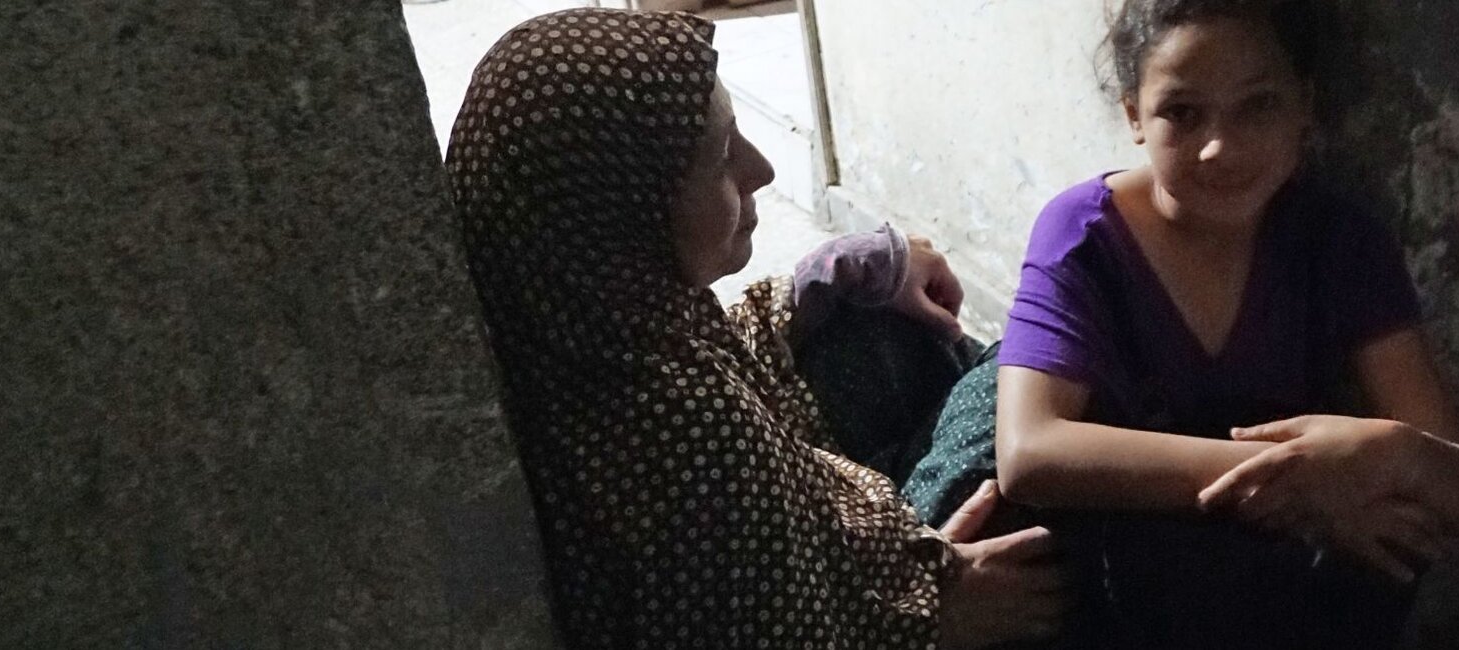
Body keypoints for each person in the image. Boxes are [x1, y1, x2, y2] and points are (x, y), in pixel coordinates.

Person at [443, 8, 1061, 649]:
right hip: (882, 594)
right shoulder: (688, 432)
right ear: (620, 214)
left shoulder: (575, 321)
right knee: (1024, 377)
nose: (761, 168)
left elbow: (725, 355)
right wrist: (935, 606)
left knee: (884, 331)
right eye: (718, 160)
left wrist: (820, 281)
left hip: (834, 530)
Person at [902, 0, 1459, 647]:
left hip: (1250, 569)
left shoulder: (1339, 242)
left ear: (1305, 105)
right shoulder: (1083, 235)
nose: (1220, 147)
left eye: (1258, 105)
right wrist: (1299, 480)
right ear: (1134, 115)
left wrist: (1380, 457)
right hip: (1117, 553)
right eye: (1182, 113)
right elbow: (1030, 452)